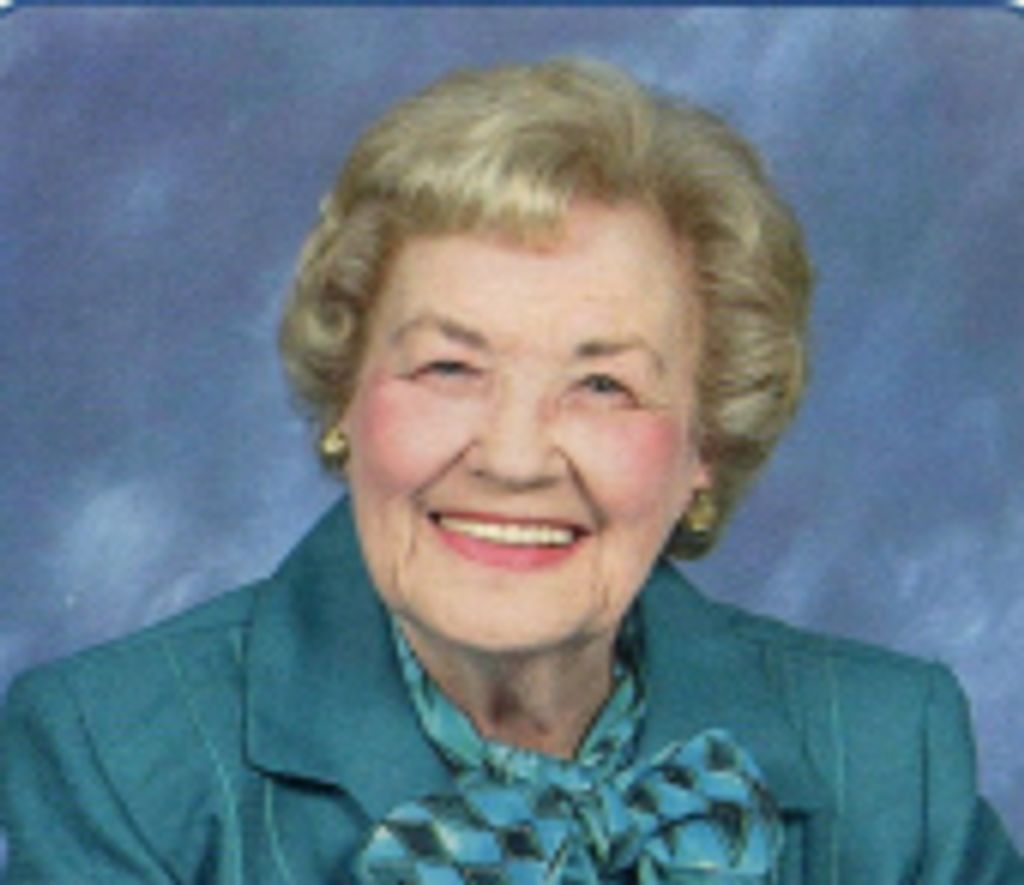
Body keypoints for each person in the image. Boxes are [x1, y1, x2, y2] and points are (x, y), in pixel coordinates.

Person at [1, 58, 1020, 883]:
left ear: (707, 445)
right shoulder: (118, 757)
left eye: (604, 386)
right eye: (449, 368)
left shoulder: (886, 754)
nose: (515, 457)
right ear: (347, 399)